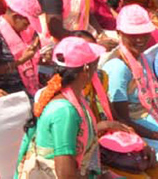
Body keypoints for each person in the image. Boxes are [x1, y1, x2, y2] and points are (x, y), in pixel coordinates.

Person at [17, 35, 126, 177]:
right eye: (96, 64)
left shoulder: (74, 97)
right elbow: (65, 174)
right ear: (86, 69)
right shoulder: (65, 111)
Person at [105, 4, 158, 151]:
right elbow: (122, 119)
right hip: (137, 128)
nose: (140, 39)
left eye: (144, 33)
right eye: (133, 35)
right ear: (119, 33)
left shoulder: (143, 59)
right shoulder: (118, 67)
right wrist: (153, 135)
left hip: (150, 118)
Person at [0, 0, 43, 97]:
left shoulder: (25, 32)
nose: (28, 27)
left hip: (28, 83)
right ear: (16, 17)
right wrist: (21, 61)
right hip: (9, 89)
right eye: (26, 23)